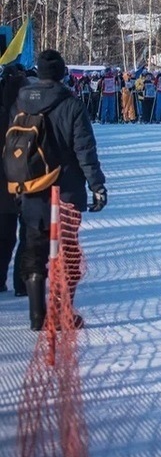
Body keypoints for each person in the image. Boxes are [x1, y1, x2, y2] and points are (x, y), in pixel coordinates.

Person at [13, 50, 106, 330]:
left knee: (34, 249)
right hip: (65, 188)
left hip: (30, 185)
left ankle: (36, 315)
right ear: (63, 72)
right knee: (67, 252)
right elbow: (84, 149)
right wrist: (97, 185)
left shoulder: (21, 102)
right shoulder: (71, 104)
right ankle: (63, 311)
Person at [0, 64, 25, 294]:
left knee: (5, 234)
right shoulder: (28, 111)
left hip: (7, 182)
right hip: (26, 181)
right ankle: (22, 282)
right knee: (26, 235)